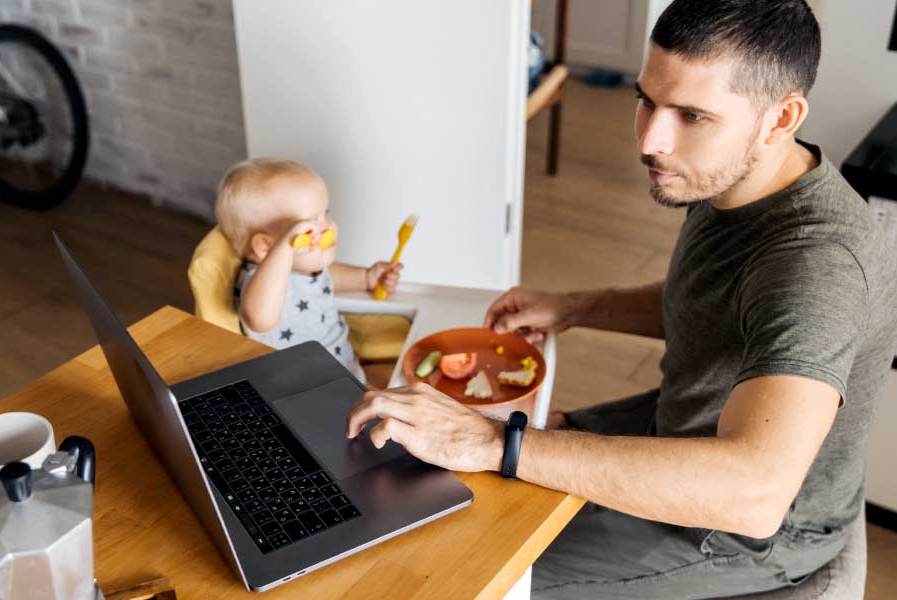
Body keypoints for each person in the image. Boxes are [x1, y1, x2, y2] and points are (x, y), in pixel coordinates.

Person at [344, 0, 897, 597]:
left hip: (744, 532)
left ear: (780, 116)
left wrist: (493, 444)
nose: (651, 140)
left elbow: (756, 494)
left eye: (691, 115)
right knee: (443, 472)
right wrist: (575, 306)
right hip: (683, 425)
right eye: (647, 100)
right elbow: (717, 303)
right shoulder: (743, 176)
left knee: (459, 571)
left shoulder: (818, 267)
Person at [215, 158, 402, 384]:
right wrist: (285, 248)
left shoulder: (304, 269)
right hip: (316, 391)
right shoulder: (264, 284)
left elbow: (326, 277)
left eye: (326, 214)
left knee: (410, 378)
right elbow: (258, 319)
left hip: (349, 369)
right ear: (266, 246)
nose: (329, 227)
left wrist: (367, 278)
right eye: (309, 228)